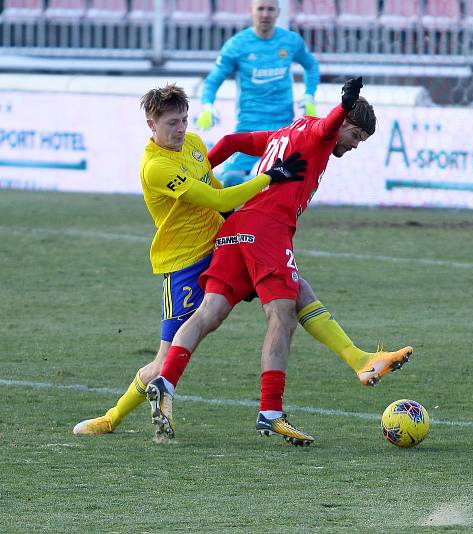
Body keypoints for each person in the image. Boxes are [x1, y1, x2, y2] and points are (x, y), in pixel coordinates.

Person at [73, 83, 411, 437]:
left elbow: (229, 152)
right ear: (151, 124)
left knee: (294, 293)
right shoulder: (156, 166)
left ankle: (359, 360)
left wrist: (238, 207)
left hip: (226, 235)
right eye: (172, 122)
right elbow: (323, 129)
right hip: (186, 260)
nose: (181, 128)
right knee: (179, 353)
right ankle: (120, 415)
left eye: (184, 120)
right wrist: (336, 113)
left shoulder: (193, 144)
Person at [196, 0, 320, 187]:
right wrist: (207, 106)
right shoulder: (237, 45)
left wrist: (309, 95)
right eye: (260, 9)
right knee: (230, 180)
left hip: (283, 129)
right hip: (249, 128)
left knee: (288, 184)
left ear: (278, 12)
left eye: (270, 9)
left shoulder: (290, 41)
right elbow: (213, 80)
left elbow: (311, 66)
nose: (265, 14)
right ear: (251, 11)